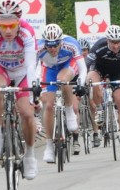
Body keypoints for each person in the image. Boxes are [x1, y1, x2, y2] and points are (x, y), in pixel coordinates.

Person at [0, 0, 40, 179]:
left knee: (27, 114)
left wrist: (33, 95)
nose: (7, 31)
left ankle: (29, 155)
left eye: (12, 26)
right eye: (3, 26)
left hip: (22, 72)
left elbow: (31, 67)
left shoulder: (27, 33)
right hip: (1, 68)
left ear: (19, 23)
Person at [37, 23, 87, 160]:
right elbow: (33, 67)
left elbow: (83, 68)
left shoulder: (71, 43)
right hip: (49, 69)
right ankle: (48, 146)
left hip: (67, 65)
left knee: (63, 79)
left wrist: (81, 84)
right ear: (44, 43)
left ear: (61, 42)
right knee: (48, 105)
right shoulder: (38, 47)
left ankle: (70, 111)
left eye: (55, 45)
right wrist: (35, 85)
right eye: (49, 45)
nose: (52, 48)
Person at [85, 24, 120, 150]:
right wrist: (82, 82)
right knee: (91, 79)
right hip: (99, 69)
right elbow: (86, 65)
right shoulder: (98, 46)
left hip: (116, 73)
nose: (116, 45)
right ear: (107, 40)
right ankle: (100, 108)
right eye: (113, 42)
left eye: (118, 42)